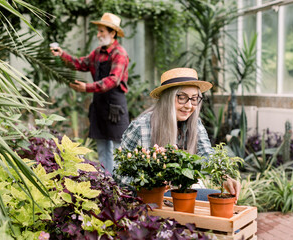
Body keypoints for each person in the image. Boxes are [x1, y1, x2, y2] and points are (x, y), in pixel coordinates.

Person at [120, 67, 241, 201]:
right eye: (182, 98)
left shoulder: (195, 124)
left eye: (194, 99)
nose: (189, 106)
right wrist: (150, 184)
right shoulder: (141, 127)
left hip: (180, 194)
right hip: (147, 200)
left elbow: (207, 155)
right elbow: (120, 175)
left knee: (223, 200)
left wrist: (224, 176)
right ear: (168, 98)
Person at [50, 13, 129, 175]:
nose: (98, 34)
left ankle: (120, 187)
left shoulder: (119, 54)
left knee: (116, 150)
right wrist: (62, 55)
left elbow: (113, 80)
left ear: (112, 33)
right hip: (99, 105)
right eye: (98, 31)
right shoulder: (97, 52)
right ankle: (107, 183)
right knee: (102, 149)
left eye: (101, 31)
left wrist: (87, 87)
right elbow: (80, 63)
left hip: (115, 107)